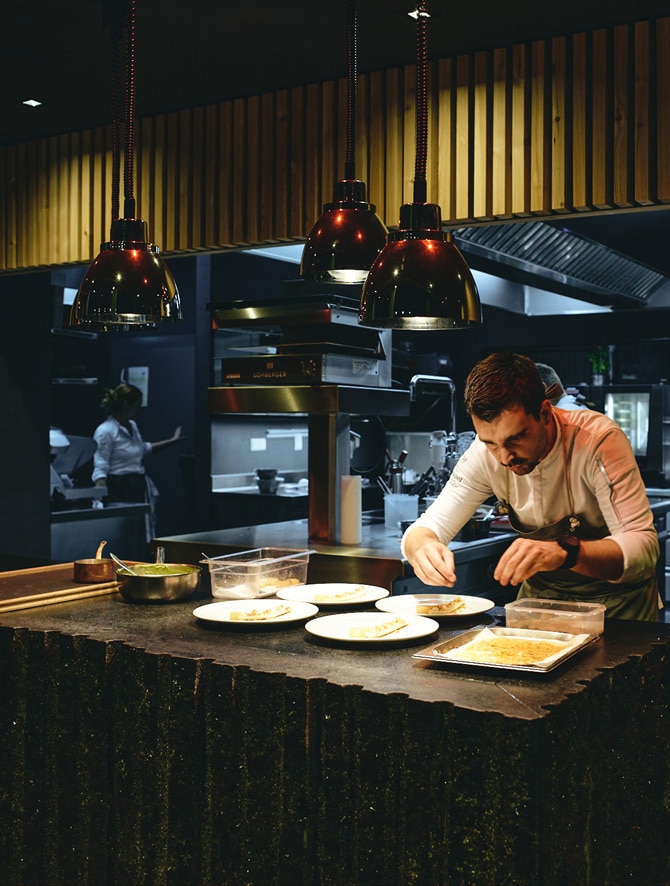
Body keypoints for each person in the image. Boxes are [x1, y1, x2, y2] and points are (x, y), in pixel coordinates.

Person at [402, 352, 660, 621]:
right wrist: (423, 548)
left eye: (516, 438)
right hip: (540, 605)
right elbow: (427, 526)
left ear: (545, 413)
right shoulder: (484, 453)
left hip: (619, 609)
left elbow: (643, 549)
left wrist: (567, 552)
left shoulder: (597, 441)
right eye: (490, 442)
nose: (503, 457)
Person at [92, 384, 185, 539]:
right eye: (138, 405)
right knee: (123, 532)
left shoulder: (132, 426)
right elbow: (100, 465)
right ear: (126, 405)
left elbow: (143, 449)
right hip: (119, 489)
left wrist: (172, 441)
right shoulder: (105, 431)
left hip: (137, 487)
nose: (140, 409)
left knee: (139, 531)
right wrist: (99, 501)